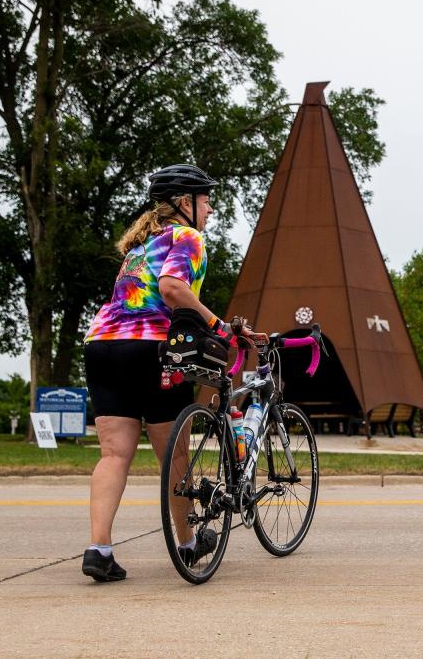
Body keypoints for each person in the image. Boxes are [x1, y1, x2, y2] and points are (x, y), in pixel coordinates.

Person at [81, 164, 246, 581]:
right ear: (185, 203)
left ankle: (98, 549)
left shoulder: (140, 245)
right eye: (206, 201)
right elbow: (173, 288)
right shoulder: (186, 237)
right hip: (151, 349)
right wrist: (219, 327)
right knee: (174, 453)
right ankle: (188, 542)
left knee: (114, 455)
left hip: (102, 346)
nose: (210, 209)